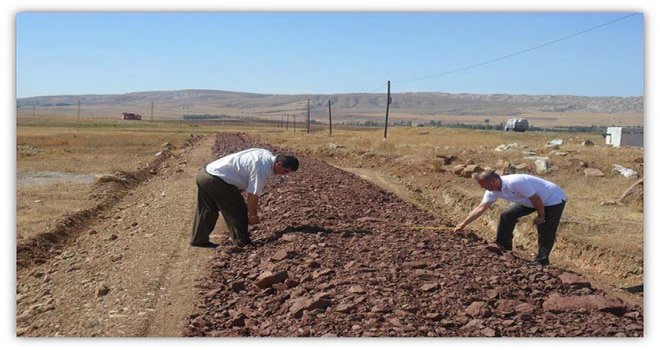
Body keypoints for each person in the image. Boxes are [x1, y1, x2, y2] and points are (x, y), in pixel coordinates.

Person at [191, 148, 299, 248]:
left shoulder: (265, 154)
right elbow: (253, 196)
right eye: (285, 171)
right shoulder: (262, 169)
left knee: (207, 208)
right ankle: (242, 243)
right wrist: (253, 216)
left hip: (205, 174)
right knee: (239, 209)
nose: (284, 175)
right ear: (279, 164)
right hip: (216, 181)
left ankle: (199, 240)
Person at [453, 170, 567, 265]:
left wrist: (541, 216)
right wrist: (464, 223)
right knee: (507, 215)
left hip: (552, 199)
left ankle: (542, 261)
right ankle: (503, 248)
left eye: (484, 185)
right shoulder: (492, 190)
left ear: (493, 181)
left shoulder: (515, 182)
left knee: (545, 228)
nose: (483, 188)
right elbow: (481, 207)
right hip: (529, 201)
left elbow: (536, 198)